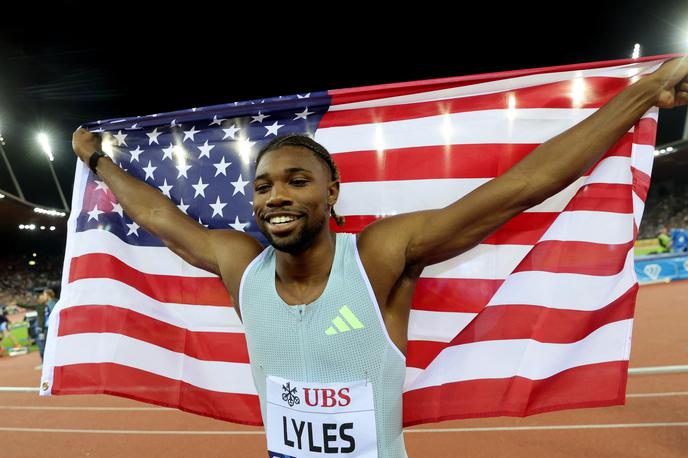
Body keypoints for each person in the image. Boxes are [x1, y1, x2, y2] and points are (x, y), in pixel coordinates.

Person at [72, 58, 688, 457]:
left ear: (332, 193)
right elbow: (161, 220)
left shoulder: (375, 258)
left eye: (296, 181)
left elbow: (517, 190)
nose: (277, 196)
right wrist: (97, 161)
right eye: (263, 186)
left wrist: (642, 97)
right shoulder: (243, 266)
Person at [17, 288, 57, 368]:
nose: (42, 296)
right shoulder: (42, 305)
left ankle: (48, 364)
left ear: (48, 295)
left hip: (48, 328)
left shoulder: (52, 303)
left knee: (45, 346)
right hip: (43, 328)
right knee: (43, 345)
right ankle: (46, 363)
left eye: (43, 295)